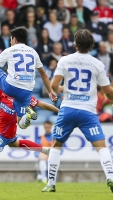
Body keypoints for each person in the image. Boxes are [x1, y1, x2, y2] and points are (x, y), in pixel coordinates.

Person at [42, 29, 113, 193]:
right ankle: (110, 177)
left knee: (56, 145)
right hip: (88, 112)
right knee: (101, 147)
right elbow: (108, 92)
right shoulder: (98, 64)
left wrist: (61, 89)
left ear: (75, 44)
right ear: (92, 45)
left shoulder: (65, 60)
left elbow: (53, 86)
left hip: (67, 110)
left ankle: (51, 184)